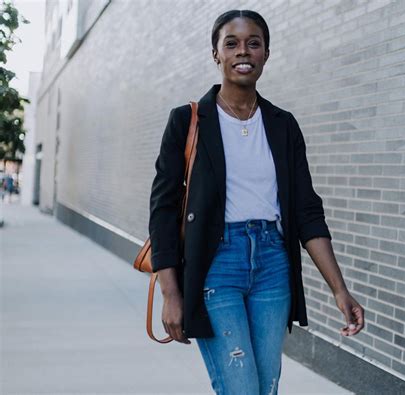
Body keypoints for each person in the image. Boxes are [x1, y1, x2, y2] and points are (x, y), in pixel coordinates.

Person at [148, 9, 365, 395]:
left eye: (253, 43)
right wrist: (170, 293)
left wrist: (339, 289)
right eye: (230, 43)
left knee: (265, 387)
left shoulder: (283, 125)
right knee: (241, 388)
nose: (242, 51)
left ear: (266, 53)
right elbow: (163, 210)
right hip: (217, 266)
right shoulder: (188, 121)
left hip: (272, 264)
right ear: (216, 54)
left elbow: (307, 212)